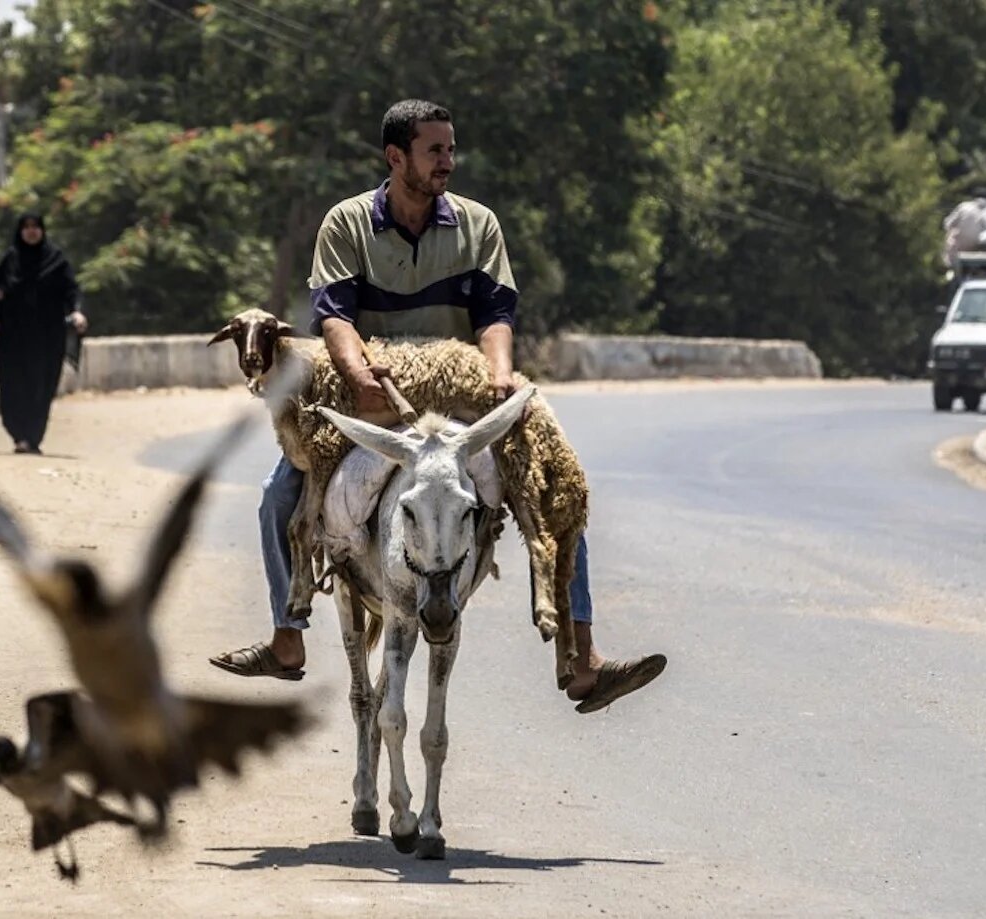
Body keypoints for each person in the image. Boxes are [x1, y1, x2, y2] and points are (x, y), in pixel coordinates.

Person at [210, 99, 666, 714]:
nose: (447, 161)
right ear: (396, 157)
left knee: (554, 488)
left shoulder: (477, 224)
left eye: (451, 149)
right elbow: (335, 316)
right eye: (435, 151)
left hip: (459, 387)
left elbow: (496, 315)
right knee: (279, 496)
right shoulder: (346, 223)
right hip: (374, 389)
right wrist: (357, 375)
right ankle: (287, 637)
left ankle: (583, 658)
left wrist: (501, 378)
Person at [0, 213, 87, 454]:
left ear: (42, 230)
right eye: (26, 227)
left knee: (41, 386)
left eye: (35, 227)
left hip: (47, 337)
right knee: (12, 385)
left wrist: (78, 312)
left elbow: (72, 290)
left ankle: (32, 437)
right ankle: (18, 433)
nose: (31, 232)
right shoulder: (11, 259)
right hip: (14, 337)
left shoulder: (56, 259)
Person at [942, 186, 986, 267]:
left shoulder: (963, 207)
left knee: (951, 234)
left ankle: (948, 267)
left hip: (961, 248)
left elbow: (947, 224)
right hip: (985, 250)